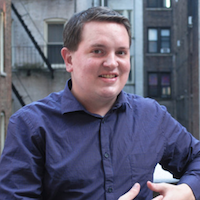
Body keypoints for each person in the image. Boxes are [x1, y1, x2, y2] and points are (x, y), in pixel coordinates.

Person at [0, 6, 200, 200]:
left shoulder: (152, 116)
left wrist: (187, 191)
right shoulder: (30, 125)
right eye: (98, 51)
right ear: (69, 59)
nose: (112, 63)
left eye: (121, 52)